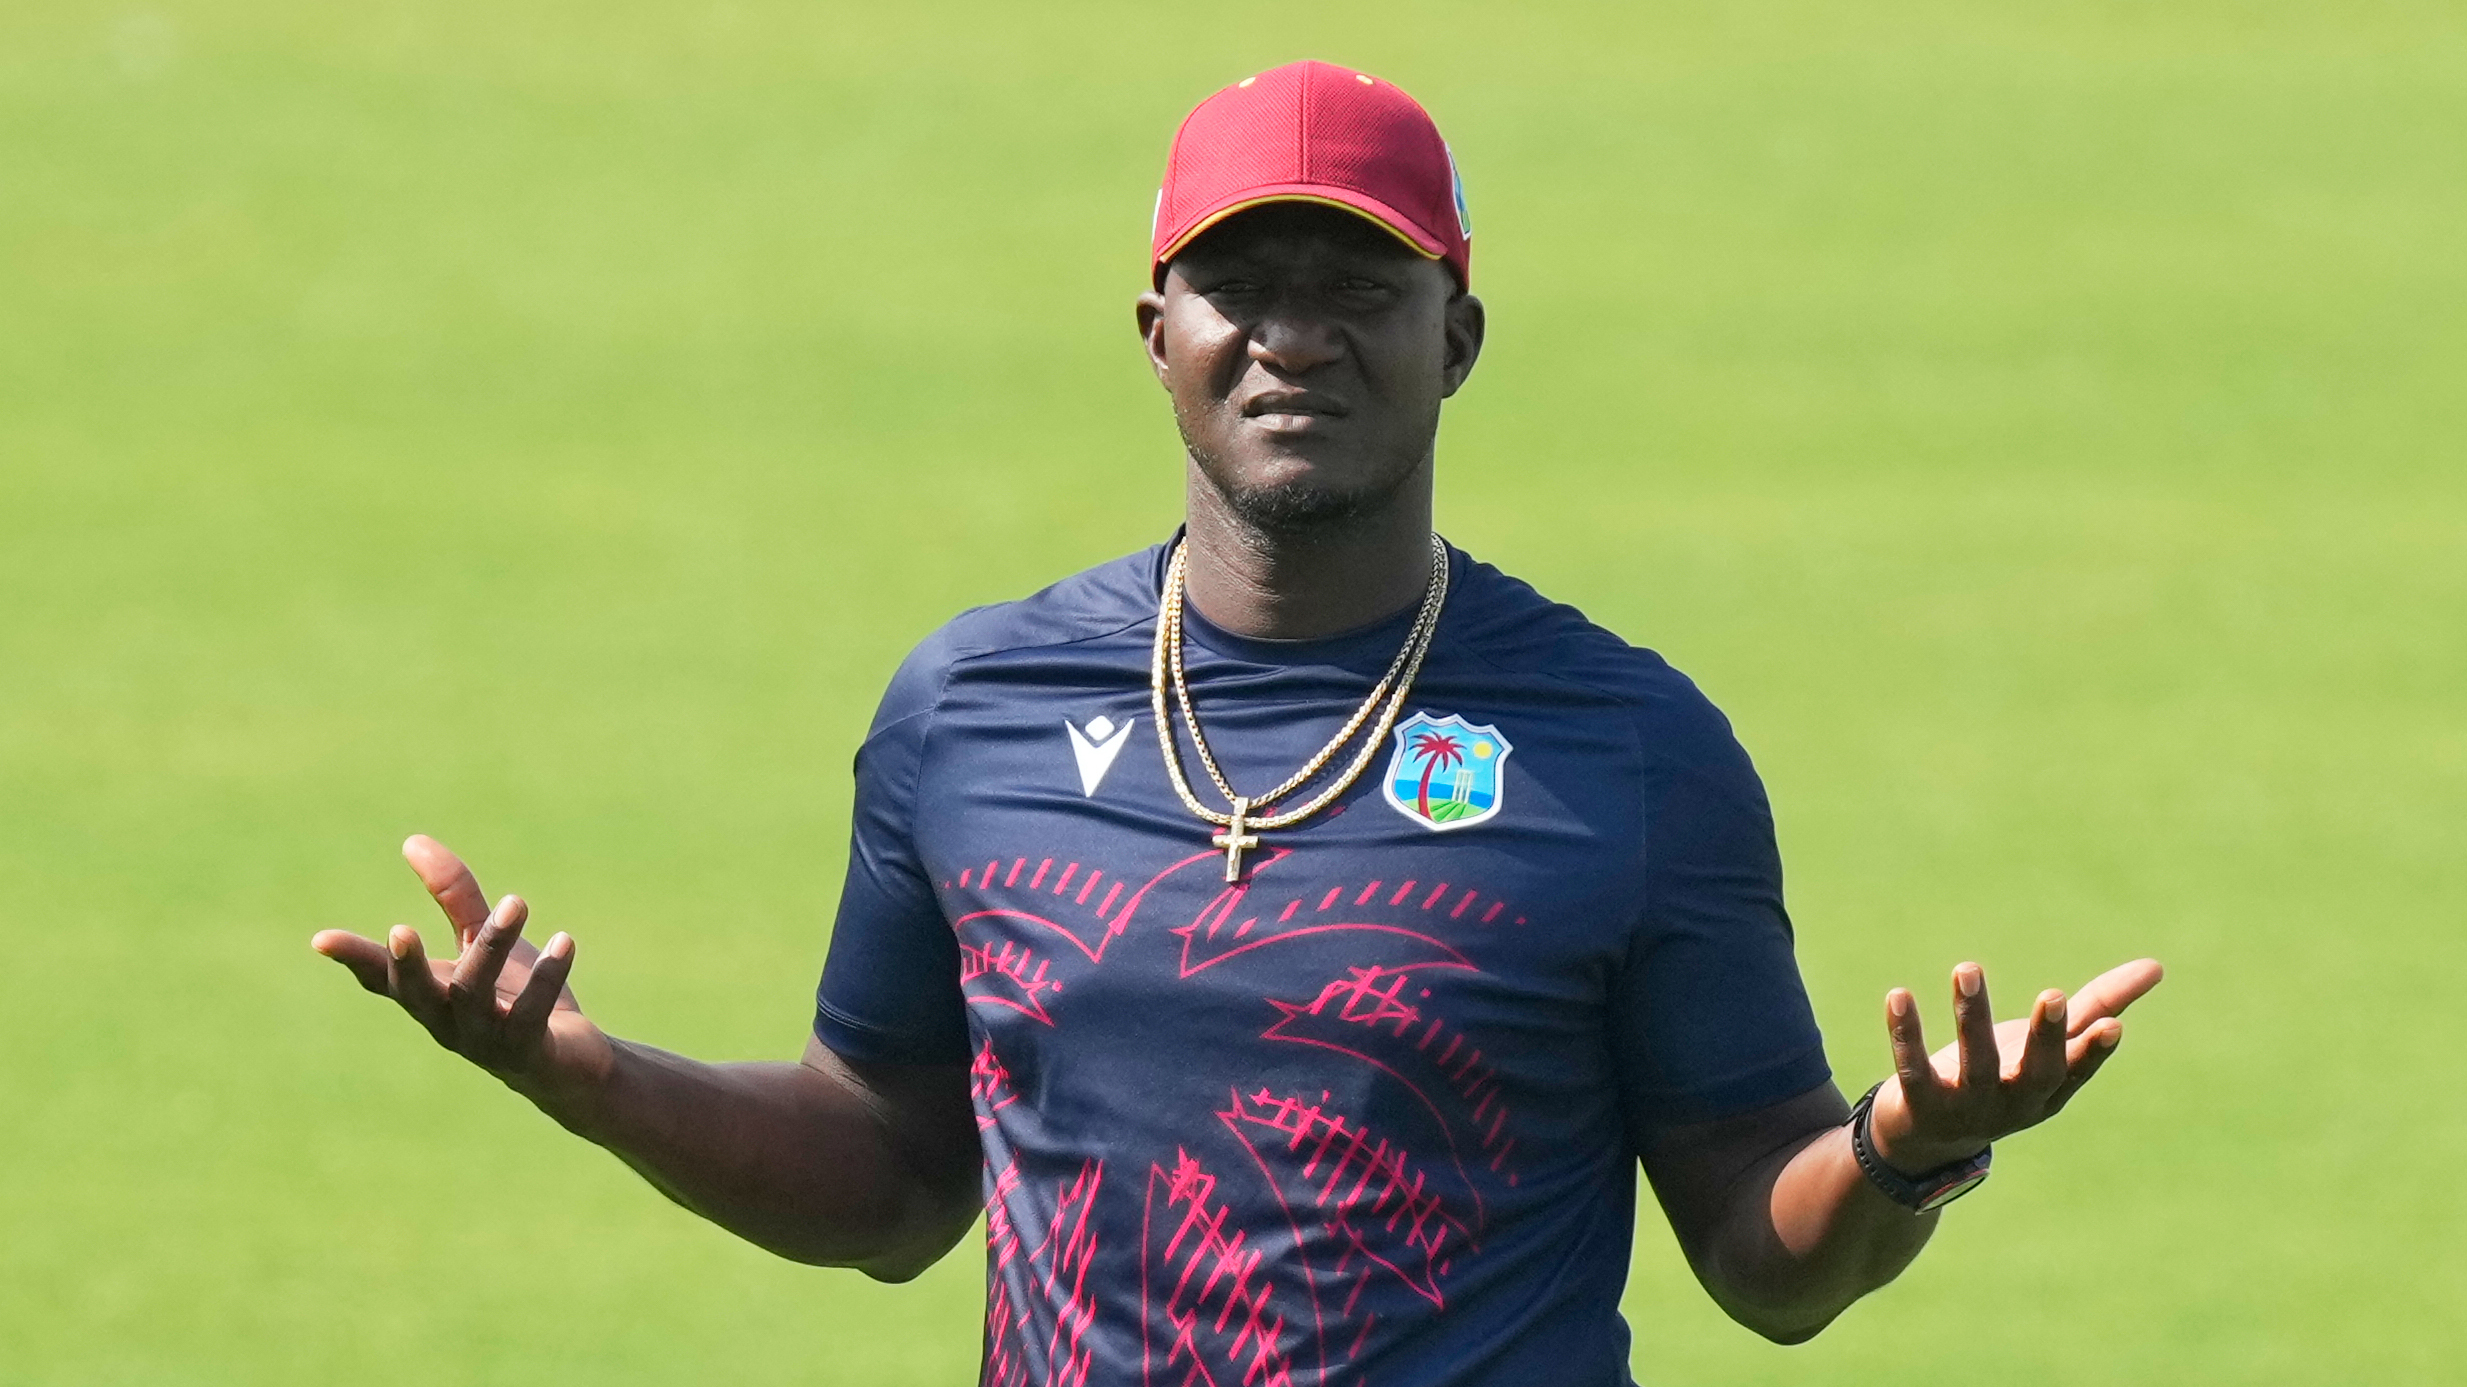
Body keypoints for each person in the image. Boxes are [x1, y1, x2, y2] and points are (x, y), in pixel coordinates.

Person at [312, 60, 2162, 1386]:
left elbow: (1768, 1263)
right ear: (1155, 330)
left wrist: (1910, 1149)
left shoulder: (1630, 749)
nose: (1295, 336)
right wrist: (591, 1081)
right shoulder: (974, 711)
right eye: (1240, 288)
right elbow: (883, 1182)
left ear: (1459, 337)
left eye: (1361, 287)